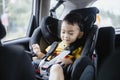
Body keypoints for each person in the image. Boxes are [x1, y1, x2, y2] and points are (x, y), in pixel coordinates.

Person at [32, 12, 84, 80]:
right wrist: (38, 52)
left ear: (80, 34)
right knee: (29, 63)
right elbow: (46, 58)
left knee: (56, 68)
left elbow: (79, 63)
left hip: (61, 70)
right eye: (63, 32)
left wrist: (70, 61)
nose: (66, 36)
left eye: (70, 33)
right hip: (46, 68)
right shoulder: (55, 45)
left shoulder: (78, 48)